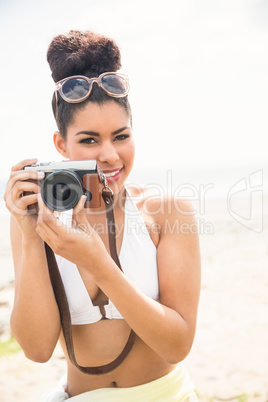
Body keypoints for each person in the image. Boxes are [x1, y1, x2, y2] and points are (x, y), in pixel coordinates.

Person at [4, 30, 201, 401]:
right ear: (62, 146)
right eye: (90, 140)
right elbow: (36, 349)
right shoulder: (38, 220)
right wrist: (31, 238)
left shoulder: (168, 211)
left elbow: (177, 344)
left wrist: (97, 263)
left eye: (121, 136)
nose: (110, 155)